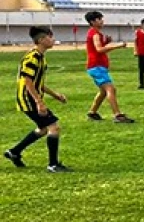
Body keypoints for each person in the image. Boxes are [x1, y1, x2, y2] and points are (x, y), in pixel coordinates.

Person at [5, 27, 71, 172]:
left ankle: (14, 152)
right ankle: (53, 165)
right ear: (41, 40)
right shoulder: (32, 57)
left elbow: (37, 82)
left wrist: (55, 95)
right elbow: (27, 81)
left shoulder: (40, 57)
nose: (53, 40)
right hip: (28, 98)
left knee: (43, 129)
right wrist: (39, 102)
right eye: (50, 37)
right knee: (54, 127)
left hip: (31, 97)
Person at [84, 11, 134, 123]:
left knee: (103, 91)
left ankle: (92, 113)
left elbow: (97, 47)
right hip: (97, 66)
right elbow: (99, 49)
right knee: (110, 89)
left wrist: (106, 42)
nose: (102, 21)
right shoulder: (95, 34)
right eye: (99, 19)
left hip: (96, 66)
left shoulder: (95, 33)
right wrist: (117, 45)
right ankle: (118, 115)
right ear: (92, 22)